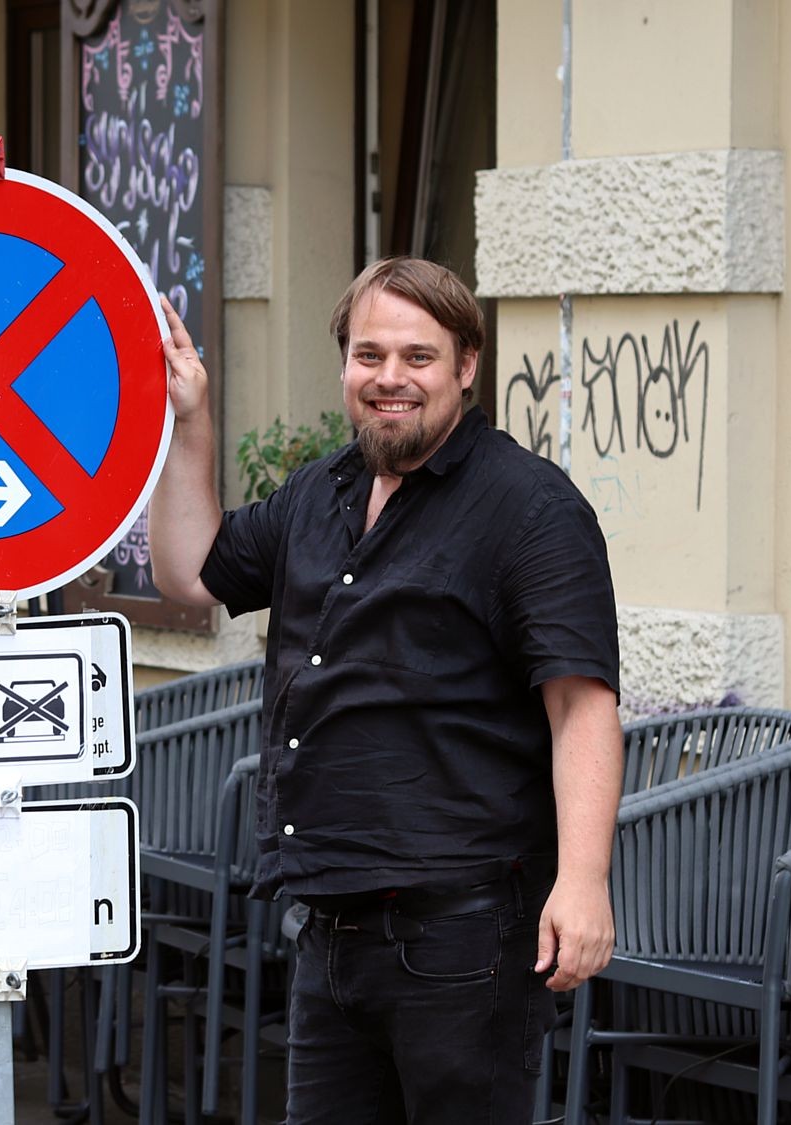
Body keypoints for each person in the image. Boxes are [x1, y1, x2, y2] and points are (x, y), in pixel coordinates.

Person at [147, 256, 624, 1124]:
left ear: (466, 365)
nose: (390, 378)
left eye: (418, 356)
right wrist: (191, 420)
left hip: (464, 935)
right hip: (331, 930)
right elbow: (189, 573)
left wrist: (584, 879)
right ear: (344, 366)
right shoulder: (319, 494)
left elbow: (581, 704)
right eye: (370, 356)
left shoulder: (530, 509)